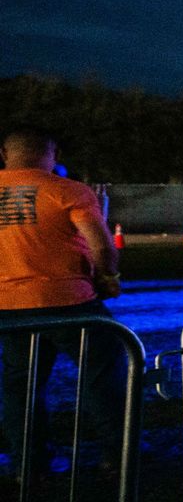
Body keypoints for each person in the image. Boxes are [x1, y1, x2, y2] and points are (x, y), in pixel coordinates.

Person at [0, 127, 126, 477]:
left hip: (8, 306)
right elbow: (101, 246)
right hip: (69, 301)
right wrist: (107, 277)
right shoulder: (68, 190)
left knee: (20, 385)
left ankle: (28, 460)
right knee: (103, 373)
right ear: (51, 153)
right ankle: (117, 453)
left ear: (5, 153)